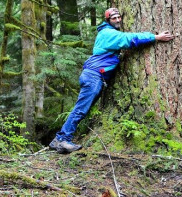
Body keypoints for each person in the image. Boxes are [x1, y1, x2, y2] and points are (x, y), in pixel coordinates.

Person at [49, 8, 174, 153]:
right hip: (93, 76)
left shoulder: (107, 33)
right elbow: (129, 39)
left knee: (81, 109)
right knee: (80, 110)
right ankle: (63, 139)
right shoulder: (108, 34)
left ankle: (57, 140)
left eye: (119, 17)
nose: (118, 20)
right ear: (108, 20)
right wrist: (155, 37)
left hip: (94, 76)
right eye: (114, 18)